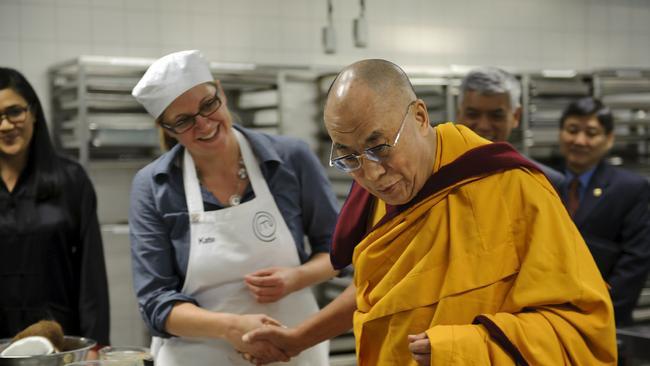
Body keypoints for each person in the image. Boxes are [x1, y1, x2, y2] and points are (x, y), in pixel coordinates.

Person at [243, 59, 617, 365]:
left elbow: (581, 329)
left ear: (420, 117)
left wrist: (461, 348)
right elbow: (379, 294)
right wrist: (296, 340)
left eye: (380, 147)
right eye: (349, 156)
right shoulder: (380, 195)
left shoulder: (513, 188)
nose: (371, 174)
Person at [129, 50, 338, 366]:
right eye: (184, 121)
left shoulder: (290, 159)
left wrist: (296, 278)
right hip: (198, 354)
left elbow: (339, 252)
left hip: (292, 349)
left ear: (221, 92)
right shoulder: (154, 185)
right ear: (167, 128)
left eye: (208, 105)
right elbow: (156, 304)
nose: (204, 125)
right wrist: (232, 327)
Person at [0, 68, 110, 347]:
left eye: (14, 112)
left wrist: (95, 346)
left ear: (33, 112)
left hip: (60, 343)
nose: (5, 126)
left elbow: (91, 274)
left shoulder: (71, 180)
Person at [557, 96, 650, 326]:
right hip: (544, 318)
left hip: (603, 321)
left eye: (591, 133)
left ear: (609, 139)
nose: (579, 140)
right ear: (561, 133)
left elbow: (635, 261)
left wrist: (597, 316)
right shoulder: (542, 178)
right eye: (572, 130)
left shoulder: (630, 188)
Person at [456, 67, 565, 187]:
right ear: (458, 114)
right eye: (473, 114)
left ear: (516, 116)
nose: (484, 126)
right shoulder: (437, 174)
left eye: (496, 116)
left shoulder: (544, 182)